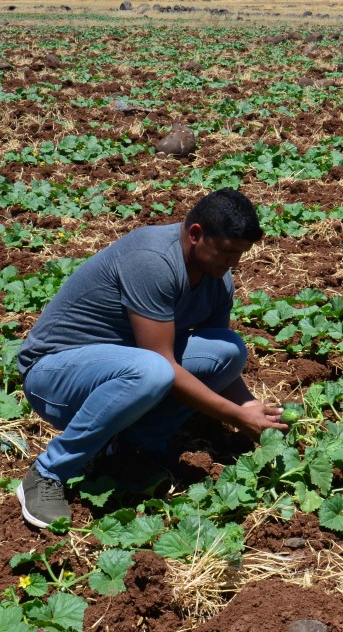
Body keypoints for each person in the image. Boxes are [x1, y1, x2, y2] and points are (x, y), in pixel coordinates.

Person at [15, 187, 287, 527]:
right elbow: (164, 364)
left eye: (241, 255)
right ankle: (48, 472)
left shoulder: (218, 278)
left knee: (228, 350)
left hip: (124, 373)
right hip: (55, 375)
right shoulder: (152, 260)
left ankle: (132, 448)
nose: (234, 263)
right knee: (154, 370)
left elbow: (217, 361)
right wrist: (236, 416)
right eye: (228, 252)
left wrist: (247, 406)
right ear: (196, 234)